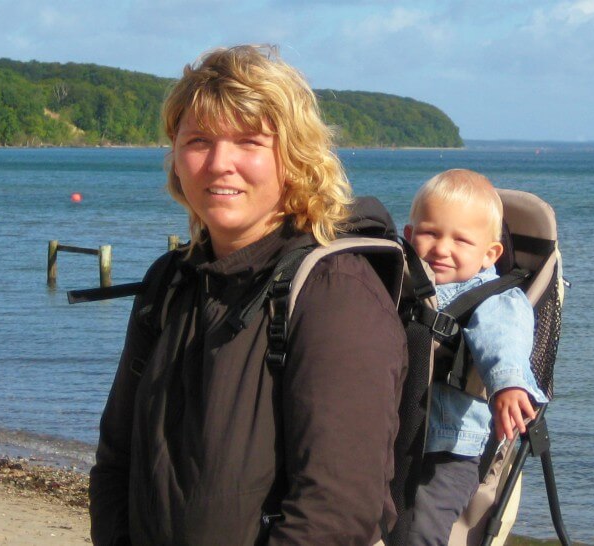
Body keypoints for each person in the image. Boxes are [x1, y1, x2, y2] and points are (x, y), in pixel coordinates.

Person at [89, 45, 407, 546]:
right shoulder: (170, 283)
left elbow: (337, 511)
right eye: (198, 140)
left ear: (294, 156)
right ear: (176, 156)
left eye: (249, 142)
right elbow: (116, 461)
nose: (219, 163)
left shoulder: (336, 291)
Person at [397, 169, 549, 546]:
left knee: (420, 531)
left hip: (451, 450)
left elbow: (503, 339)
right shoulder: (402, 284)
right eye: (430, 233)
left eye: (461, 240)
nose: (442, 248)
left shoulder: (493, 298)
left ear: (489, 254)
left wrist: (509, 384)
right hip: (398, 436)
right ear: (409, 235)